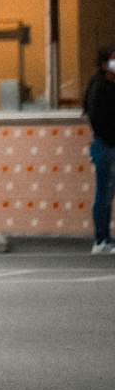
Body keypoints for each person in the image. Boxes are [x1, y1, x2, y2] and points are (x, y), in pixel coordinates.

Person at [84, 44, 115, 253]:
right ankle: (100, 240)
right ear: (105, 64)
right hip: (105, 146)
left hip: (108, 144)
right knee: (104, 194)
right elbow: (95, 118)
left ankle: (105, 237)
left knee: (107, 193)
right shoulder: (98, 86)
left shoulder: (110, 84)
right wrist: (111, 138)